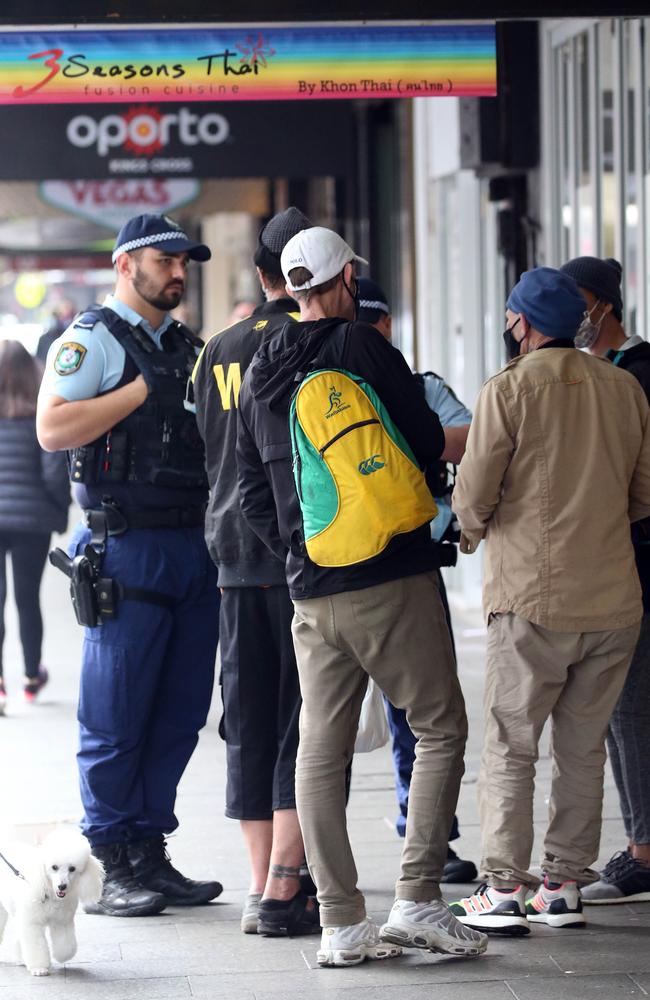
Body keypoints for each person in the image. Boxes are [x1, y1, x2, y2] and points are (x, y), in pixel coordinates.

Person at [236, 226, 488, 967]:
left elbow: (251, 488)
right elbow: (421, 441)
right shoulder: (364, 347)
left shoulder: (261, 371)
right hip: (393, 575)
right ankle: (417, 899)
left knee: (320, 748)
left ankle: (342, 923)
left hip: (311, 589)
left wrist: (299, 547)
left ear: (288, 285)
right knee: (440, 723)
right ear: (345, 278)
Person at [450, 266, 650, 934]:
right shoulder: (623, 387)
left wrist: (472, 533)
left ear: (523, 323)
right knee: (583, 748)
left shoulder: (509, 388)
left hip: (533, 599)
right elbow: (645, 495)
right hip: (614, 600)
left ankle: (503, 890)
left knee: (510, 744)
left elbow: (474, 494)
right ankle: (563, 886)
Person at [36, 214, 221, 917]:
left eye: (184, 262)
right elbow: (52, 428)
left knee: (178, 712)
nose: (178, 272)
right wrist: (140, 392)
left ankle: (149, 849)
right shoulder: (93, 340)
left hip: (191, 545)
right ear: (125, 266)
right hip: (126, 546)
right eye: (164, 260)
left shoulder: (187, 345)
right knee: (116, 715)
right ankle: (110, 863)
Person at [192, 206, 320, 937]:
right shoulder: (323, 342)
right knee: (303, 722)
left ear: (261, 274)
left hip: (234, 559)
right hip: (305, 556)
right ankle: (285, 881)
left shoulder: (217, 348)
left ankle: (257, 881)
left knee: (248, 720)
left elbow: (207, 449)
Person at [356, 278, 476, 882]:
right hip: (344, 569)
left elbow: (468, 441)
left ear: (385, 329)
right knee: (326, 726)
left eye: (373, 327)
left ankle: (429, 836)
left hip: (417, 567)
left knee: (423, 713)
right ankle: (295, 861)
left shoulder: (422, 388)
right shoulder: (325, 393)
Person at [559, 256, 650, 905]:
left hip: (637, 562)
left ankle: (645, 850)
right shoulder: (593, 373)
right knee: (621, 710)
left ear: (603, 304)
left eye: (578, 301)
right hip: (610, 561)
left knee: (631, 708)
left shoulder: (637, 371)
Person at [0, 340, 69, 715]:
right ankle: (30, 676)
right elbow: (54, 473)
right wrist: (58, 511)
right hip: (31, 522)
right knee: (28, 600)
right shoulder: (39, 416)